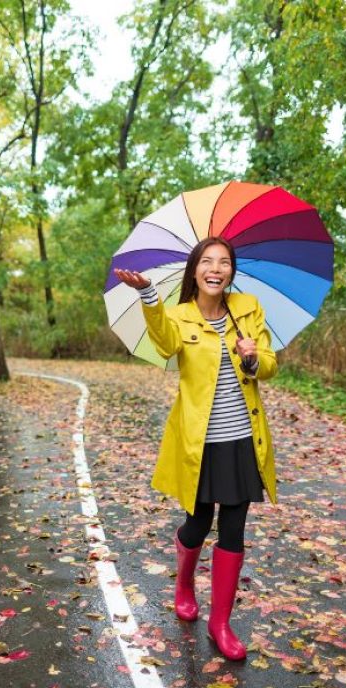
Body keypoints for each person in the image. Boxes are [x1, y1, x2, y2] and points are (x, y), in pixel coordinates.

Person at [113, 237, 277, 661]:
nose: (216, 269)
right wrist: (149, 295)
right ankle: (184, 582)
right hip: (199, 441)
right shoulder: (179, 315)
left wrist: (253, 356)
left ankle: (220, 623)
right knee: (198, 523)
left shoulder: (248, 308)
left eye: (224, 262)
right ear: (195, 270)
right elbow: (165, 344)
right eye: (208, 261)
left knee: (235, 528)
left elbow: (270, 365)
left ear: (231, 272)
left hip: (242, 436)